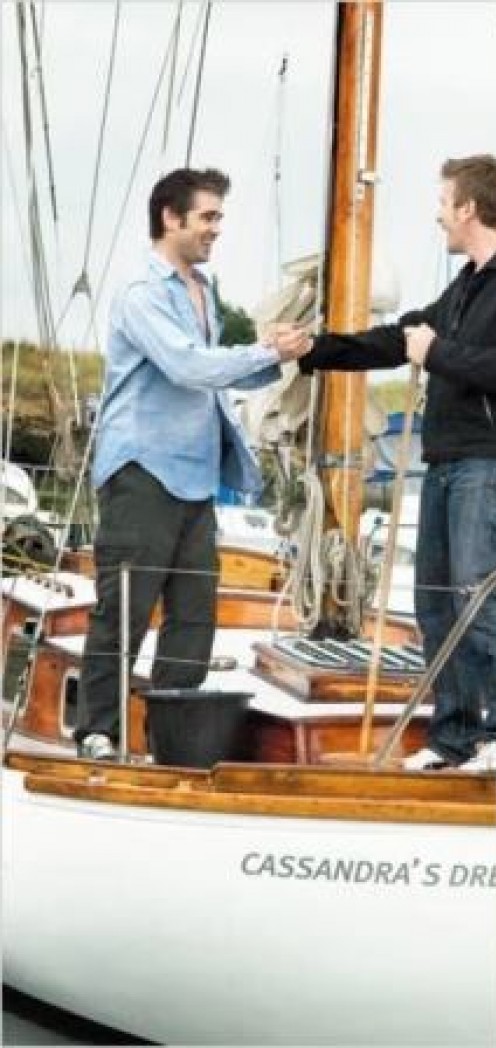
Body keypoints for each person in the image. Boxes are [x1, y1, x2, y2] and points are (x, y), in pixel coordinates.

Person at [298, 154, 496, 772]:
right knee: (437, 602)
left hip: (491, 460)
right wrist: (314, 349)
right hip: (446, 459)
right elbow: (400, 339)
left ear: (469, 207)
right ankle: (453, 741)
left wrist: (439, 352)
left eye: (445, 202)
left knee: (475, 590)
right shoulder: (468, 284)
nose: (438, 214)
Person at [75, 167, 309, 760]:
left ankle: (171, 740)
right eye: (208, 216)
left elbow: (217, 368)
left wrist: (282, 356)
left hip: (196, 479)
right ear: (170, 218)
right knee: (124, 610)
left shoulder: (200, 289)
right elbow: (187, 365)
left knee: (194, 617)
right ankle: (98, 734)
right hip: (143, 472)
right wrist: (263, 349)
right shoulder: (142, 294)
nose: (216, 228)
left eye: (218, 217)